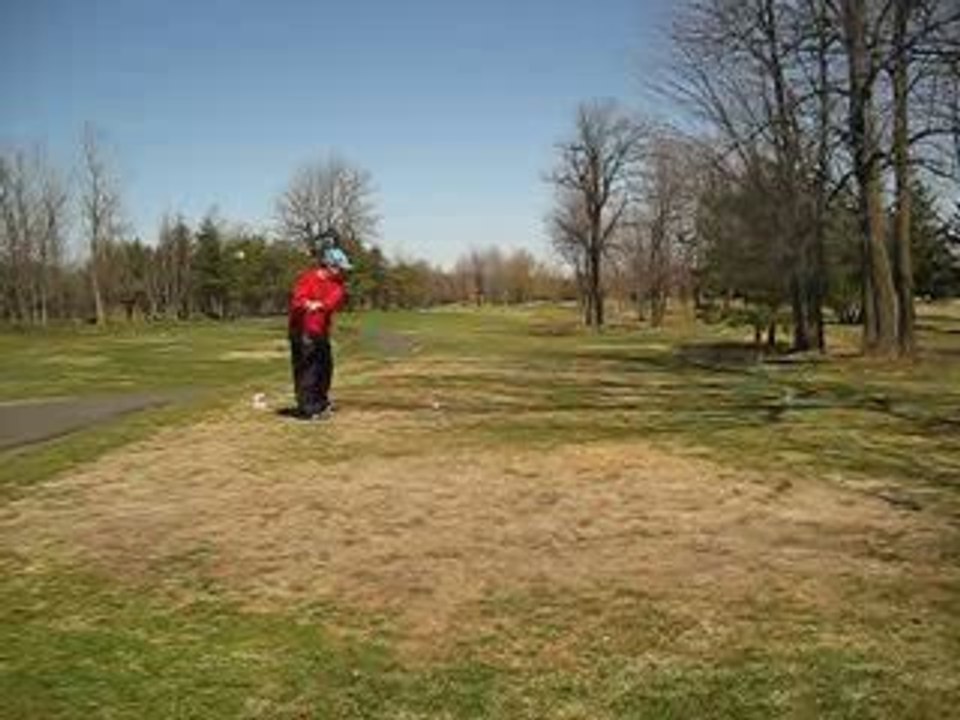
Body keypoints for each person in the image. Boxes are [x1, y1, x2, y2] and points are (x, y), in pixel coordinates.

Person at [287, 236, 352, 419]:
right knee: (308, 369)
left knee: (325, 368)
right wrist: (307, 304)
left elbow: (332, 302)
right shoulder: (307, 279)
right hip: (301, 330)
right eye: (340, 268)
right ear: (330, 266)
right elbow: (297, 301)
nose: (343, 273)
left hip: (320, 331)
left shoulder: (337, 286)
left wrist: (319, 305)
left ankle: (321, 402)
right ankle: (308, 408)